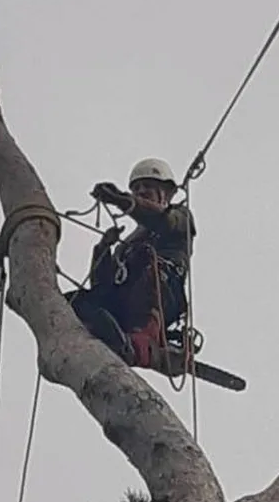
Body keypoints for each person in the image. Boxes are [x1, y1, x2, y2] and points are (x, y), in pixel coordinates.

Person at [69, 157, 195, 367]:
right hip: (125, 307)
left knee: (152, 271)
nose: (141, 191)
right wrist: (103, 249)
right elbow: (102, 286)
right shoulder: (126, 245)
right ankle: (111, 337)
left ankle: (146, 340)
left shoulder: (180, 218)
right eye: (137, 188)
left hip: (160, 298)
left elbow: (163, 221)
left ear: (165, 193)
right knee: (76, 302)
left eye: (148, 187)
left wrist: (123, 200)